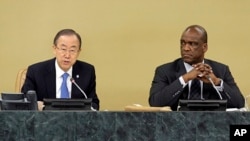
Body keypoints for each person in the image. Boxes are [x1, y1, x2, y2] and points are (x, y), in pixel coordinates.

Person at [149, 25, 245, 111]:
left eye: (192, 44)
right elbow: (155, 103)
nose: (186, 48)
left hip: (213, 125)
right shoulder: (165, 71)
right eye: (183, 43)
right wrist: (185, 78)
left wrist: (216, 82)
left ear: (204, 47)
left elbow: (239, 103)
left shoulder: (221, 70)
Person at [21, 29, 100, 110]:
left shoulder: (87, 72)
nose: (67, 55)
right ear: (54, 49)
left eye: (72, 50)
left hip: (76, 121)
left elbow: (94, 104)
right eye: (63, 49)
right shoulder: (36, 72)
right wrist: (36, 106)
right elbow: (25, 102)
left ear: (79, 52)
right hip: (44, 121)